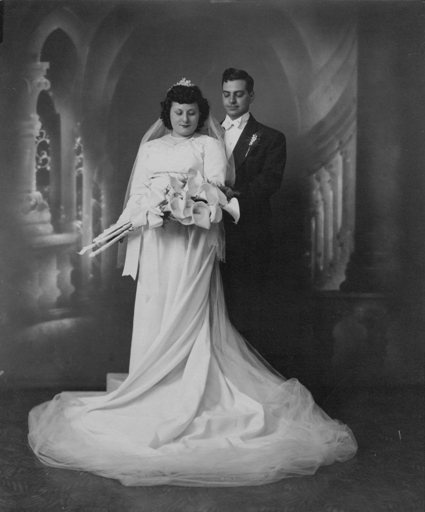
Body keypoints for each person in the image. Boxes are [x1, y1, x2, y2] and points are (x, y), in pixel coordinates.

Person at [28, 79, 357, 487]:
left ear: (201, 115)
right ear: (167, 114)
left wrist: (188, 204)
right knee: (156, 304)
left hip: (194, 241)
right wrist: (138, 216)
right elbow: (140, 194)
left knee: (190, 310)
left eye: (192, 113)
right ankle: (152, 383)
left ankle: (192, 386)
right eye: (178, 113)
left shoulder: (209, 146)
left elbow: (216, 190)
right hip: (158, 242)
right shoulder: (150, 148)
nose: (185, 119)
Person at [220, 67, 287, 291]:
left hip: (250, 230)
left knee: (246, 296)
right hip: (210, 228)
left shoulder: (271, 138)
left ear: (251, 96)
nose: (232, 100)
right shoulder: (207, 136)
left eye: (238, 94)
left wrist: (233, 197)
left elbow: (270, 181)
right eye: (226, 94)